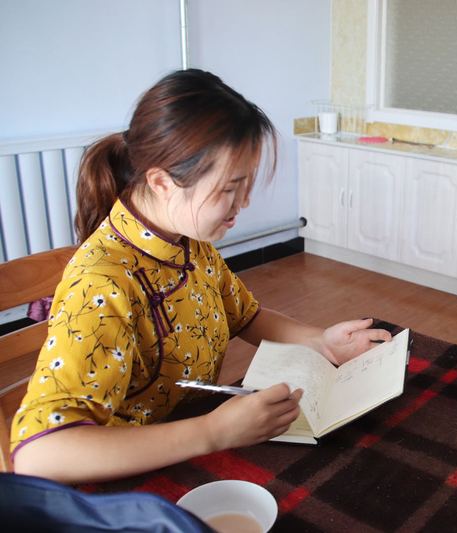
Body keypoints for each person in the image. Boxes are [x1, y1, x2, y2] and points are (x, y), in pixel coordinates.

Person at [10, 69, 391, 483]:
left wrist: (320, 341)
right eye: (229, 188)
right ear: (162, 182)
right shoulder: (100, 284)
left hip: (192, 444)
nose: (244, 202)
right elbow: (38, 456)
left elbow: (245, 316)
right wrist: (212, 432)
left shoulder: (188, 240)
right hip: (129, 479)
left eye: (246, 185)